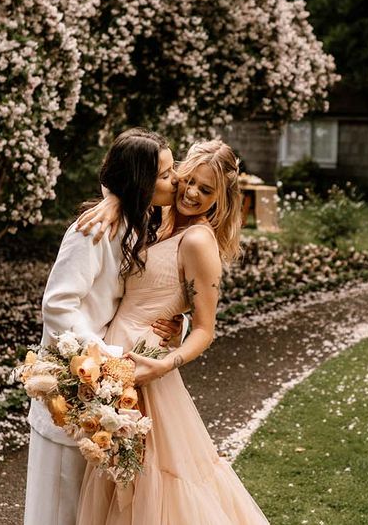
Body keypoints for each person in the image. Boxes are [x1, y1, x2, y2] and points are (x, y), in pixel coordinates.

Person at [75, 139, 269, 524]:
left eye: (206, 190)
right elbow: (125, 174)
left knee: (150, 480)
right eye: (187, 181)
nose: (192, 193)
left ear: (221, 199)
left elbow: (205, 329)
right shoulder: (157, 217)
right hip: (115, 357)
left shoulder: (197, 240)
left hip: (147, 368)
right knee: (116, 473)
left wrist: (164, 363)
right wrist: (113, 201)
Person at [24, 128, 184, 525]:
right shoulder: (92, 230)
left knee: (90, 508)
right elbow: (58, 306)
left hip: (108, 393)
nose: (176, 179)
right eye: (165, 175)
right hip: (71, 389)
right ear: (141, 183)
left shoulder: (143, 220)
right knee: (58, 509)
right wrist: (106, 357)